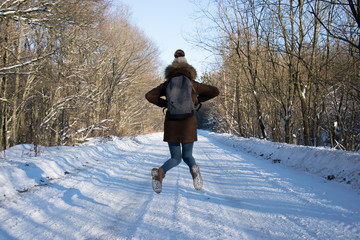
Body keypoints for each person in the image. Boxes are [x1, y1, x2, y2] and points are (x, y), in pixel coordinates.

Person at [145, 49, 219, 194]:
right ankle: (194, 170)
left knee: (175, 158)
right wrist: (196, 100)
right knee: (187, 156)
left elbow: (149, 95)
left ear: (172, 69)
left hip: (172, 123)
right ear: (188, 69)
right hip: (188, 124)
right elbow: (215, 91)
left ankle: (160, 172)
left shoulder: (167, 84)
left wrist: (165, 104)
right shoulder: (193, 84)